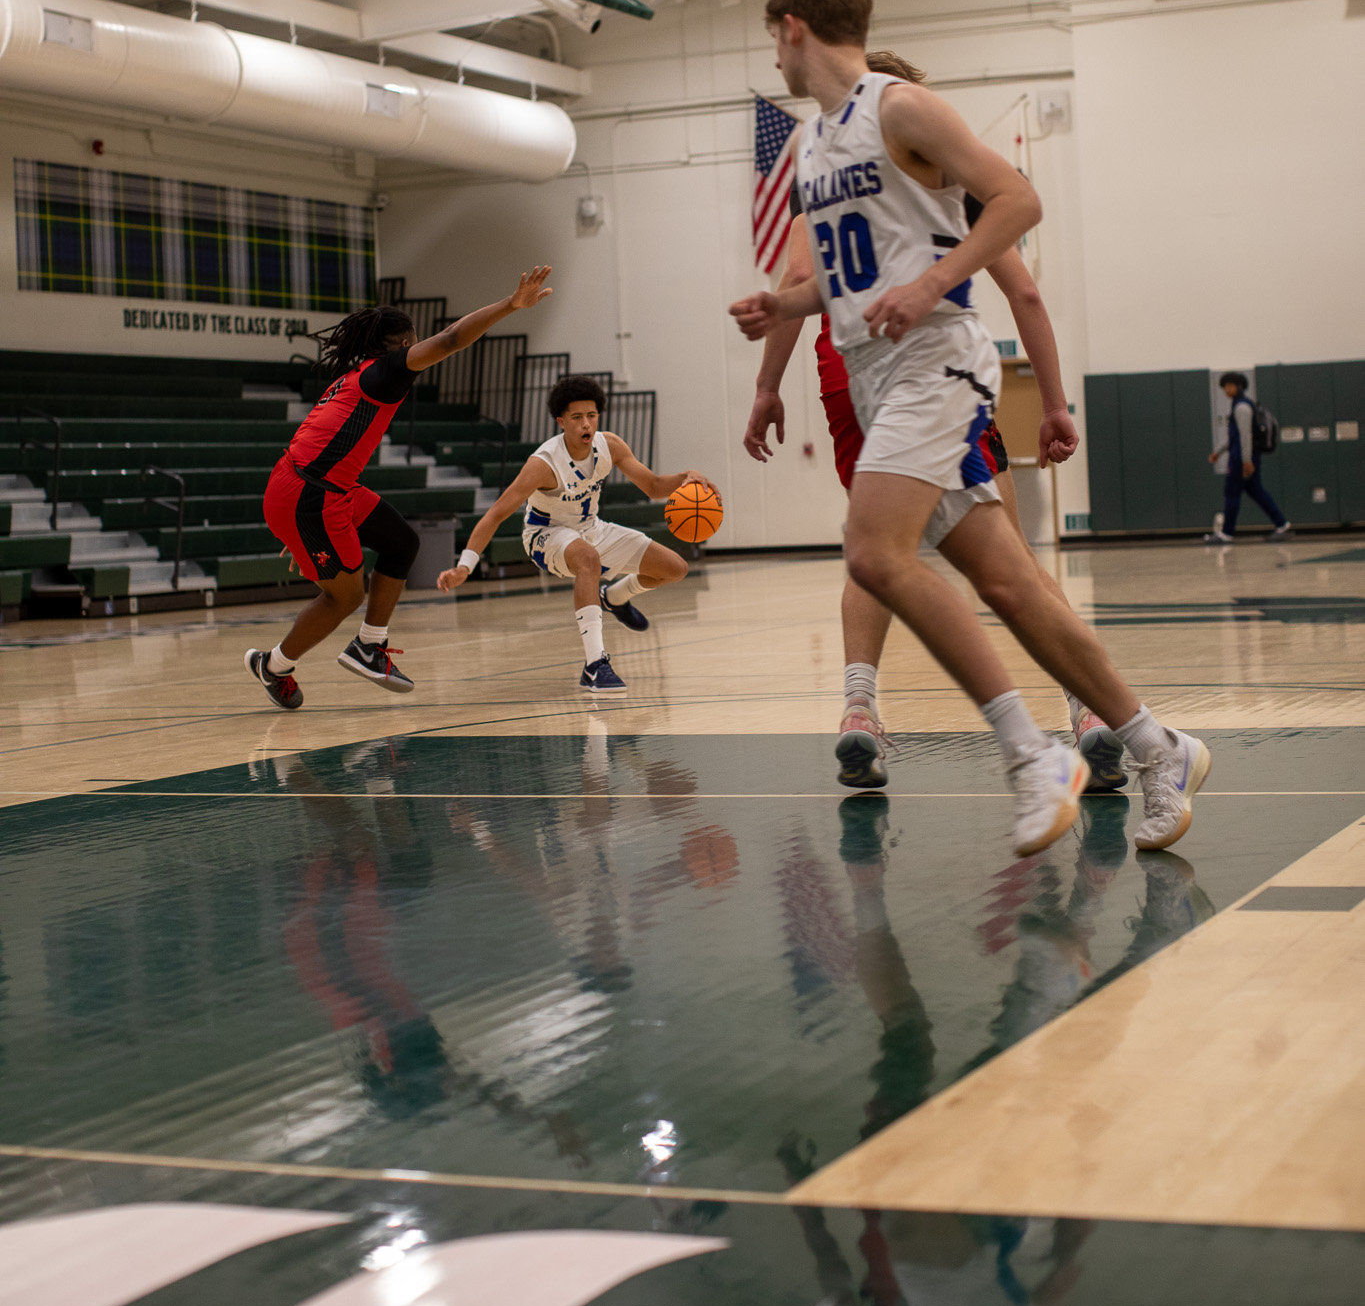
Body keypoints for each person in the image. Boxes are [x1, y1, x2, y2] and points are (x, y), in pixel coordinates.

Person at [730, 0, 1210, 857]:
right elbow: (842, 278)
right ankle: (1157, 745)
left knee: (873, 554)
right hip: (873, 375)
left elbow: (1017, 199)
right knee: (1006, 582)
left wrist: (932, 282)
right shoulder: (813, 144)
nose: (775, 59)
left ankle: (1034, 758)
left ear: (792, 27)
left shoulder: (898, 106)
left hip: (936, 364)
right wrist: (780, 306)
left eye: (773, 40)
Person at [744, 49, 1124, 795]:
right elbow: (1026, 295)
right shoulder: (943, 178)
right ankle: (1088, 712)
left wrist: (765, 387)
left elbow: (794, 282)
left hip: (846, 370)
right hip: (929, 365)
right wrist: (1053, 402)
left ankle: (858, 707)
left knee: (872, 549)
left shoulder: (823, 179)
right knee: (1007, 557)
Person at [245, 267, 552, 709]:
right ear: (405, 343)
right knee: (346, 597)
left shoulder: (359, 375)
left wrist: (300, 526)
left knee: (402, 542)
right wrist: (510, 304)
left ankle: (365, 645)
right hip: (310, 494)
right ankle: (276, 666)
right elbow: (451, 339)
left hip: (315, 488)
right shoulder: (386, 371)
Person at [438, 373, 720, 692]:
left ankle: (614, 597)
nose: (586, 424)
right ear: (561, 421)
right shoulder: (544, 463)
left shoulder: (610, 445)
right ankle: (595, 665)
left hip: (592, 529)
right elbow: (496, 513)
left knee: (674, 568)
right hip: (546, 535)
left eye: (591, 415)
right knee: (588, 558)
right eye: (577, 418)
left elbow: (654, 486)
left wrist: (686, 478)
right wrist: (465, 566)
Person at [1207, 371, 1290, 544]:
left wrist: (1246, 461)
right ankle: (1282, 525)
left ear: (1239, 386)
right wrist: (1219, 451)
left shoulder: (1242, 408)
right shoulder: (1240, 405)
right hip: (1245, 456)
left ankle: (1226, 533)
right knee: (1256, 492)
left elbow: (1245, 437)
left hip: (1241, 459)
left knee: (1231, 493)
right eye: (1225, 386)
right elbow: (1235, 437)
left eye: (1230, 386)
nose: (1227, 389)